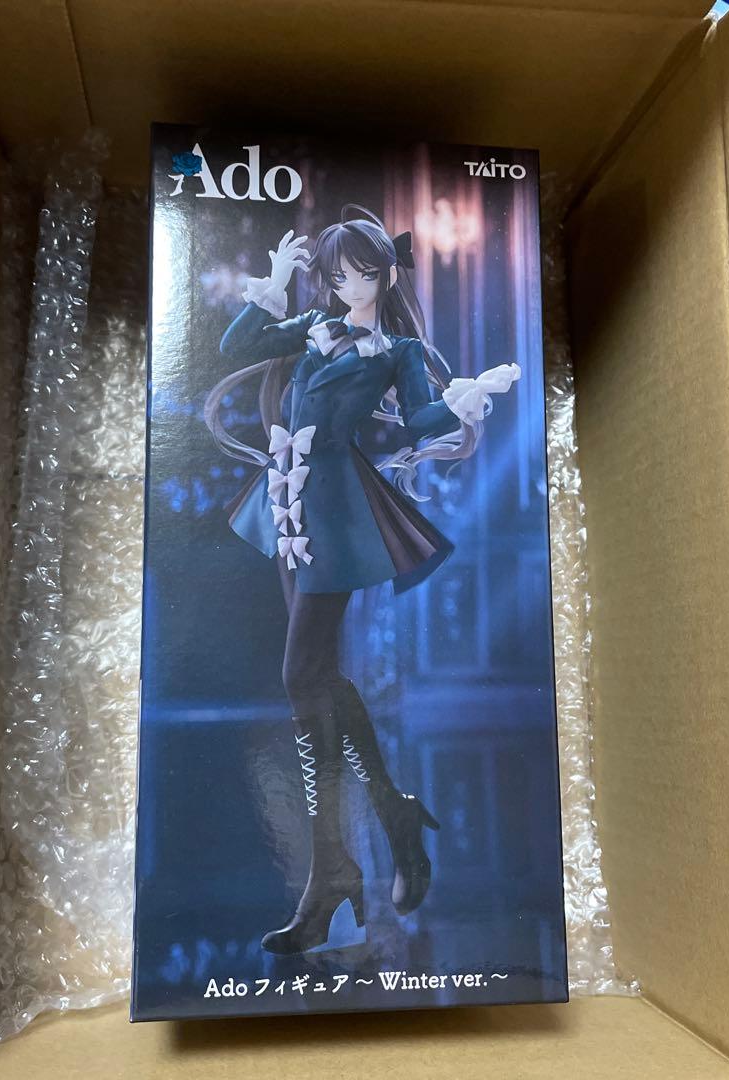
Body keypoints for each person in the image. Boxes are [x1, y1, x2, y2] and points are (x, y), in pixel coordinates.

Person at [204, 206, 520, 954]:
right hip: (288, 506)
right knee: (317, 678)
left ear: (386, 274)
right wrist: (273, 287)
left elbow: (420, 420)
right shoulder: (314, 326)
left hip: (337, 514)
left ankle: (331, 873)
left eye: (362, 274)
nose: (348, 286)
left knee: (300, 676)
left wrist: (462, 401)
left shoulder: (397, 350)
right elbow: (236, 347)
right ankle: (390, 817)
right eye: (336, 275)